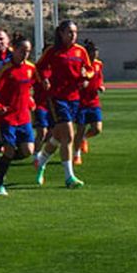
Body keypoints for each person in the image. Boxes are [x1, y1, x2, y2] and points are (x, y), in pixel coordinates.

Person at [34, 20, 93, 188]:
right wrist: (44, 79)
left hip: (74, 97)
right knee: (68, 136)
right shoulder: (52, 51)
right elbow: (39, 68)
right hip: (57, 98)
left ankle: (41, 162)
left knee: (58, 137)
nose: (73, 35)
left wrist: (86, 78)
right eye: (69, 32)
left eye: (75, 32)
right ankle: (69, 177)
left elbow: (89, 69)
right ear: (61, 33)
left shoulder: (81, 51)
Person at [0, 35, 37, 196]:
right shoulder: (5, 70)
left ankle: (2, 162)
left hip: (24, 117)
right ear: (14, 49)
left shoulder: (30, 68)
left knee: (28, 150)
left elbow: (30, 87)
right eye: (22, 50)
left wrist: (30, 101)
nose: (25, 54)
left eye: (28, 51)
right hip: (7, 118)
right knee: (9, 149)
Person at [74, 39, 105, 164]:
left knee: (97, 129)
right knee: (80, 129)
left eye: (96, 52)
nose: (95, 54)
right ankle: (76, 154)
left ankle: (84, 139)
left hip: (93, 101)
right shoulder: (80, 65)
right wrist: (81, 84)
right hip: (81, 102)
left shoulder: (98, 64)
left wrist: (101, 85)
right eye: (93, 52)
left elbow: (99, 77)